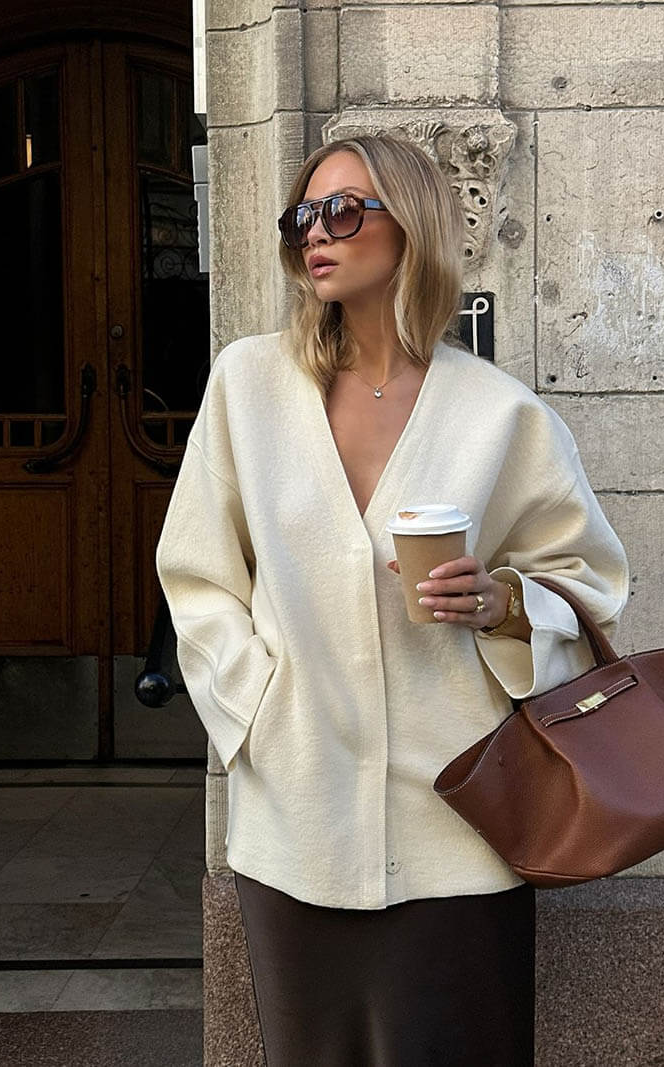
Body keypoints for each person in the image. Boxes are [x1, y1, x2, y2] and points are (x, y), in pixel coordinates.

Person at [156, 134, 629, 1066]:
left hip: (460, 825)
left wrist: (500, 603)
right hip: (296, 816)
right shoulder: (249, 386)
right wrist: (257, 713)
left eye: (342, 211)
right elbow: (198, 574)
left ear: (410, 225)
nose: (314, 234)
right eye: (303, 216)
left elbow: (589, 587)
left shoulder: (500, 414)